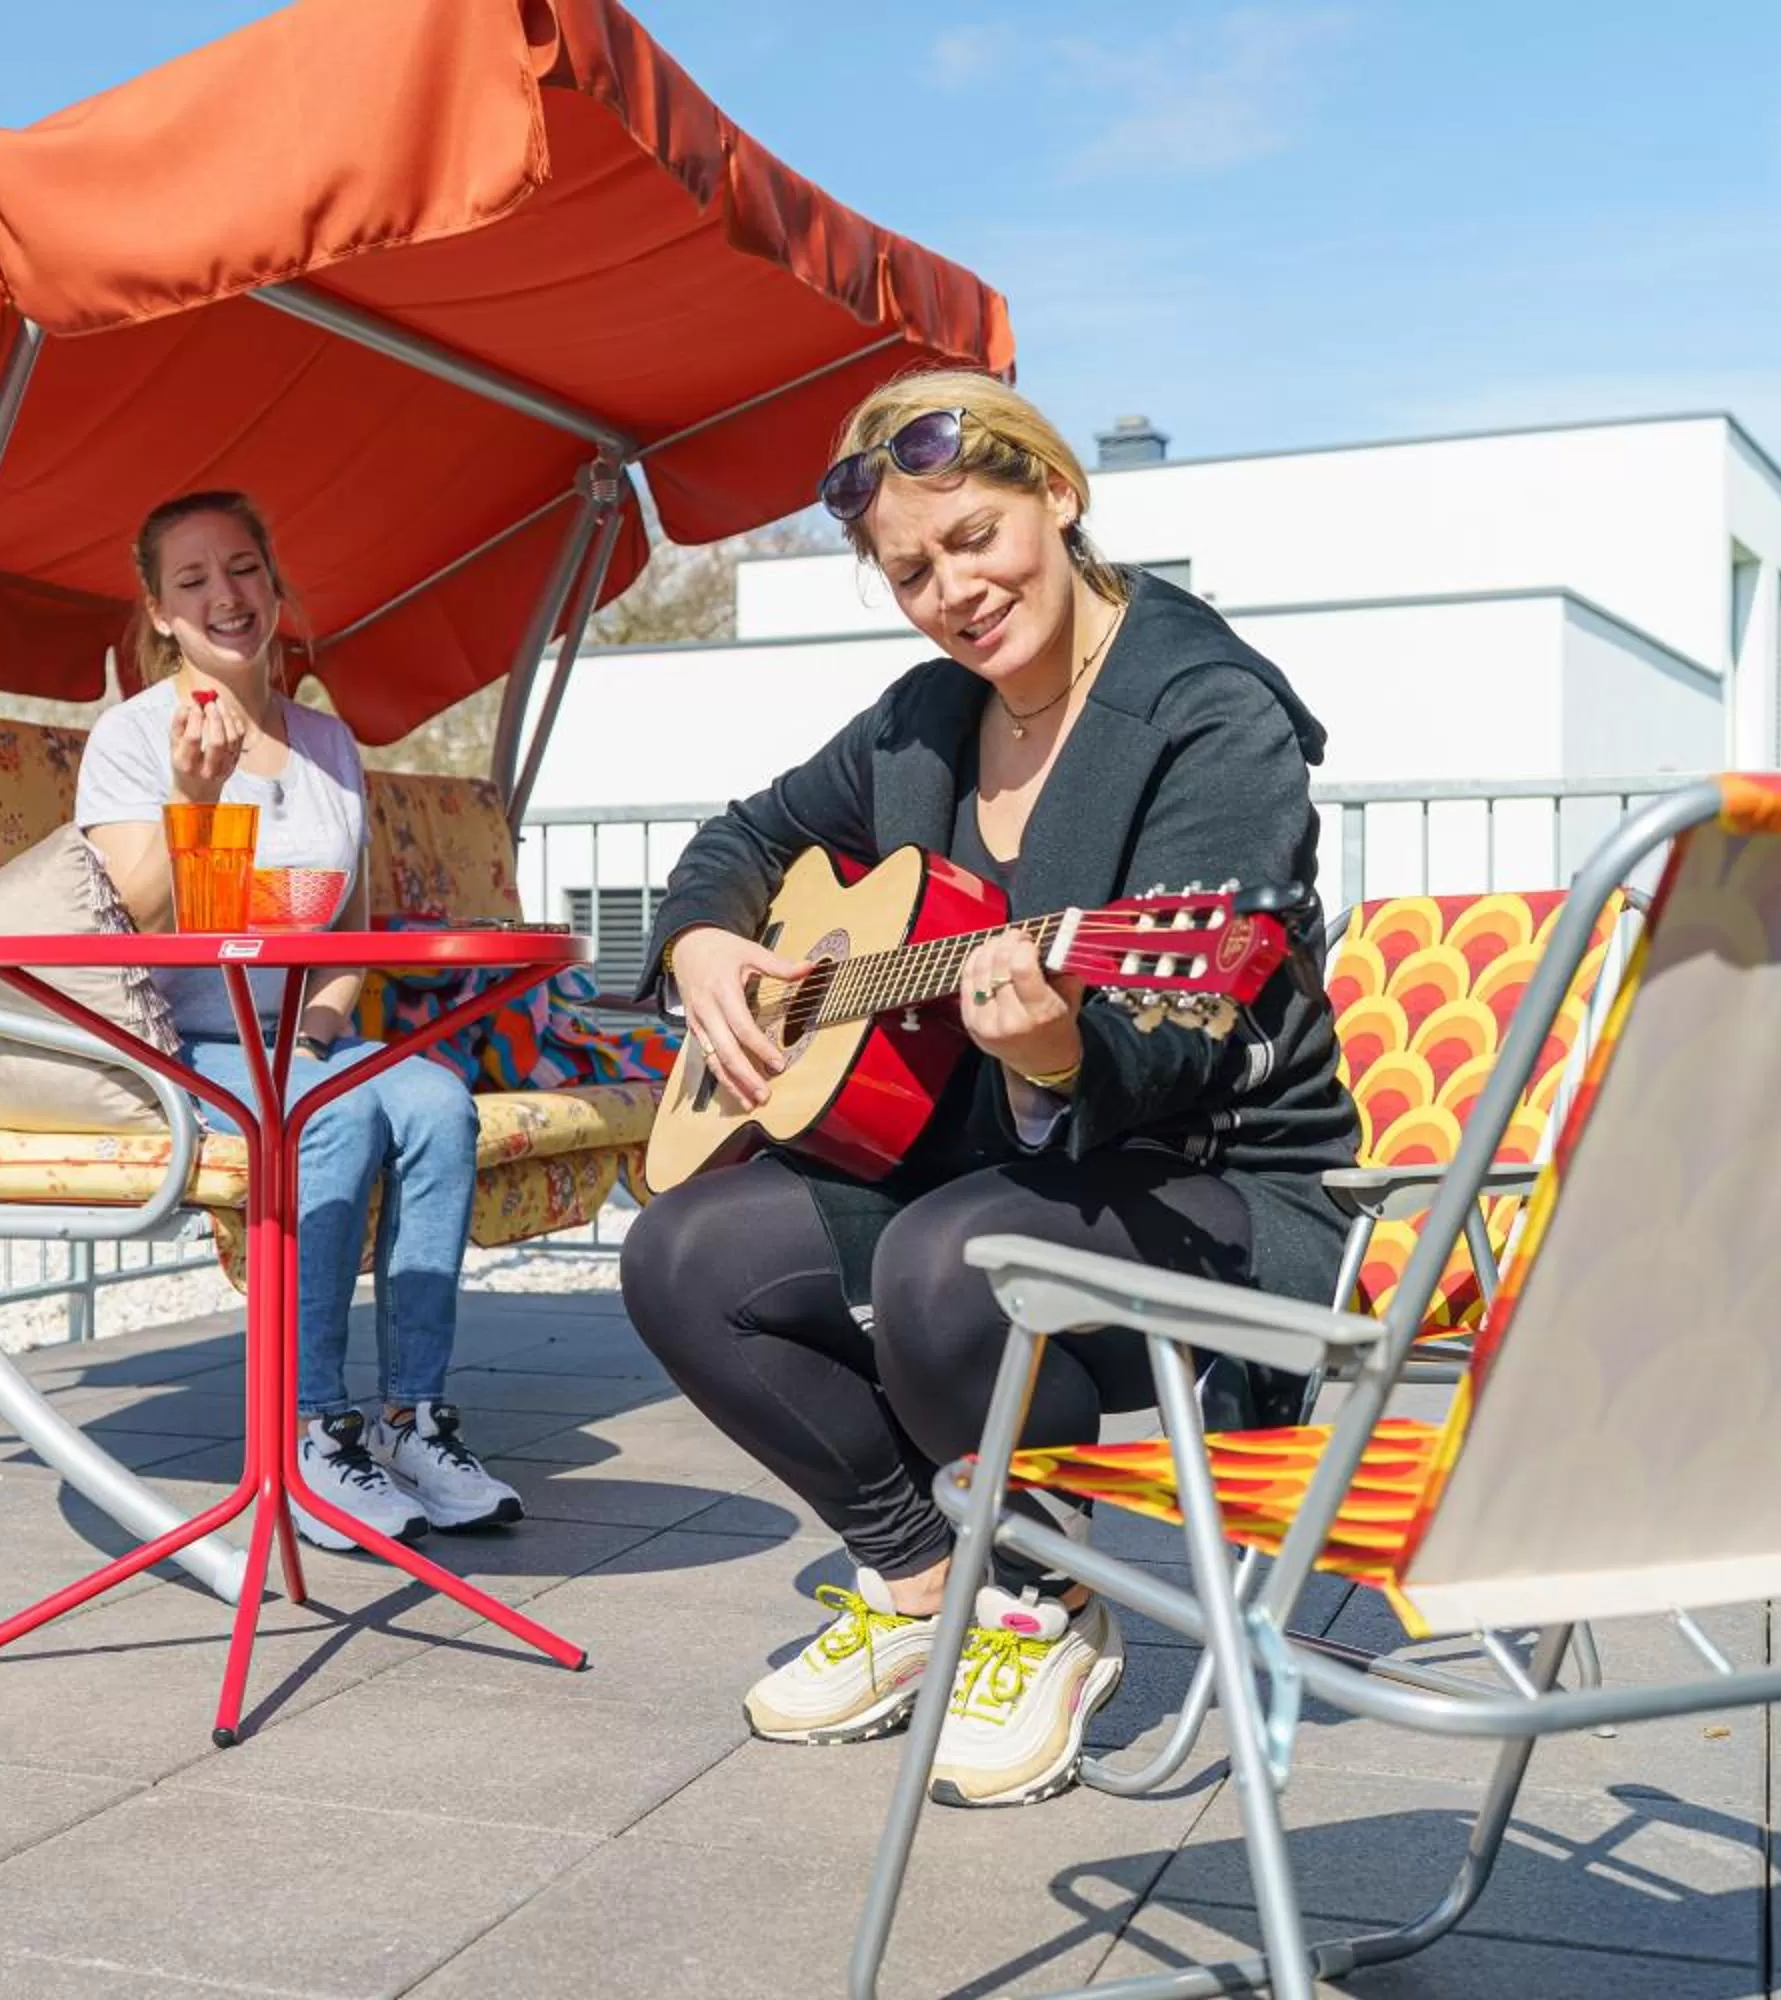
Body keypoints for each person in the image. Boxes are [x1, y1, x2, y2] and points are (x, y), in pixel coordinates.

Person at [619, 374, 1355, 1807]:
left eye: (975, 538)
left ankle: (1038, 1603)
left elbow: (1191, 1028)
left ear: (1058, 495)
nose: (954, 591)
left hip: (1219, 1183)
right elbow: (744, 836)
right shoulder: (925, 720)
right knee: (683, 1254)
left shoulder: (1210, 712)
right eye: (912, 571)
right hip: (986, 1170)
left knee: (946, 1258)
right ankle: (918, 1586)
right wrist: (704, 940)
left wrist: (1063, 1050)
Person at [75, 489, 521, 1551]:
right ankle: (311, 1431)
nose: (225, 595)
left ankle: (412, 1418)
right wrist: (194, 799)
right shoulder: (131, 738)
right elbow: (135, 920)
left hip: (303, 1036)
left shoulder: (328, 741)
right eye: (193, 580)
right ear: (160, 611)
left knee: (437, 1102)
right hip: (185, 1041)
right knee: (336, 1113)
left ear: (273, 584)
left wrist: (316, 1032)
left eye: (242, 568)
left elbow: (348, 934)